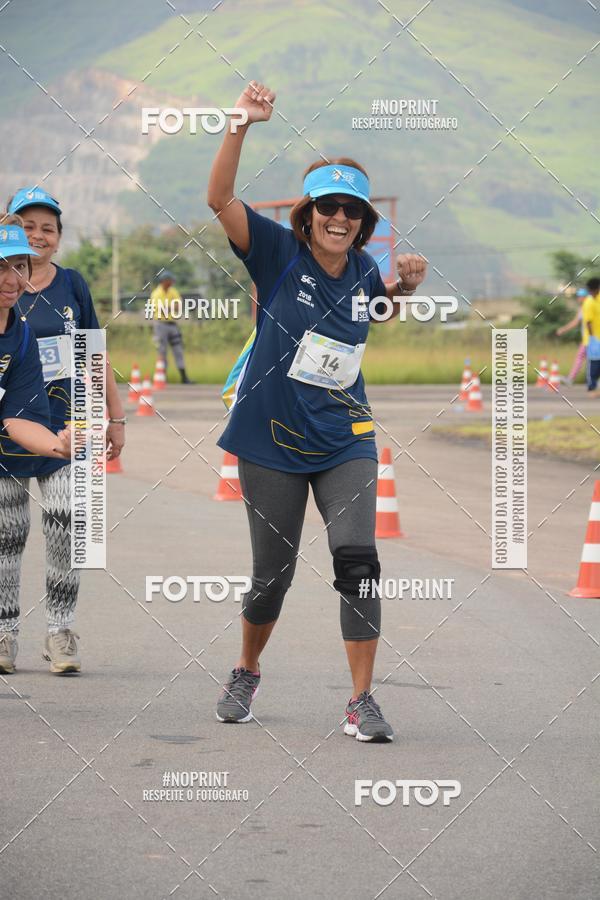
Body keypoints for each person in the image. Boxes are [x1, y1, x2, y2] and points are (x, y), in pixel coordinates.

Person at [207, 81, 427, 742]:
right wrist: (241, 124)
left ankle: (361, 699)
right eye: (328, 206)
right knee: (271, 577)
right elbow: (219, 199)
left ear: (363, 222)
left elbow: (368, 318)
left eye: (352, 210)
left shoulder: (362, 272)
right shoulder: (276, 253)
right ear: (308, 215)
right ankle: (246, 669)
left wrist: (400, 289)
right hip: (271, 440)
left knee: (358, 560)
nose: (340, 217)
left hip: (345, 437)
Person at [2, 186, 126, 674]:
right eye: (28, 226)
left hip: (66, 426)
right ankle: (5, 632)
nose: (38, 235)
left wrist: (115, 416)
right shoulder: (8, 297)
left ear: (59, 236)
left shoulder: (71, 286)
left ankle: (60, 630)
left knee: (69, 521)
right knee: (8, 534)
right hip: (9, 436)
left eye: (48, 228)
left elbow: (95, 354)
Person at [0, 216, 72, 674]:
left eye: (19, 266)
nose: (11, 279)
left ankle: (59, 629)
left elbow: (18, 417)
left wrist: (60, 446)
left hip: (21, 448)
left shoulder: (21, 334)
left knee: (53, 525)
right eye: (1, 267)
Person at [149, 270, 193, 383]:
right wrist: (172, 307)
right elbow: (162, 309)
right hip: (160, 325)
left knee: (178, 350)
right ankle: (162, 377)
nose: (172, 282)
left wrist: (169, 307)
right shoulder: (156, 294)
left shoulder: (173, 291)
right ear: (164, 281)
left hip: (172, 325)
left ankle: (184, 377)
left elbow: (178, 306)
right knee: (162, 351)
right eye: (170, 281)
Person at [556, 288, 588, 385]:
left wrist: (563, 329)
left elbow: (575, 322)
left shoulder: (586, 307)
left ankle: (571, 378)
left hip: (591, 339)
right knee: (585, 358)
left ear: (584, 297)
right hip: (589, 338)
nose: (578, 298)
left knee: (582, 357)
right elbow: (576, 321)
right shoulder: (584, 308)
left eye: (579, 296)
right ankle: (572, 378)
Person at [583, 278, 600, 395]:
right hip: (593, 339)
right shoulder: (589, 302)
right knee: (594, 364)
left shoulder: (598, 299)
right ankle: (591, 387)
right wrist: (592, 338)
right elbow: (588, 322)